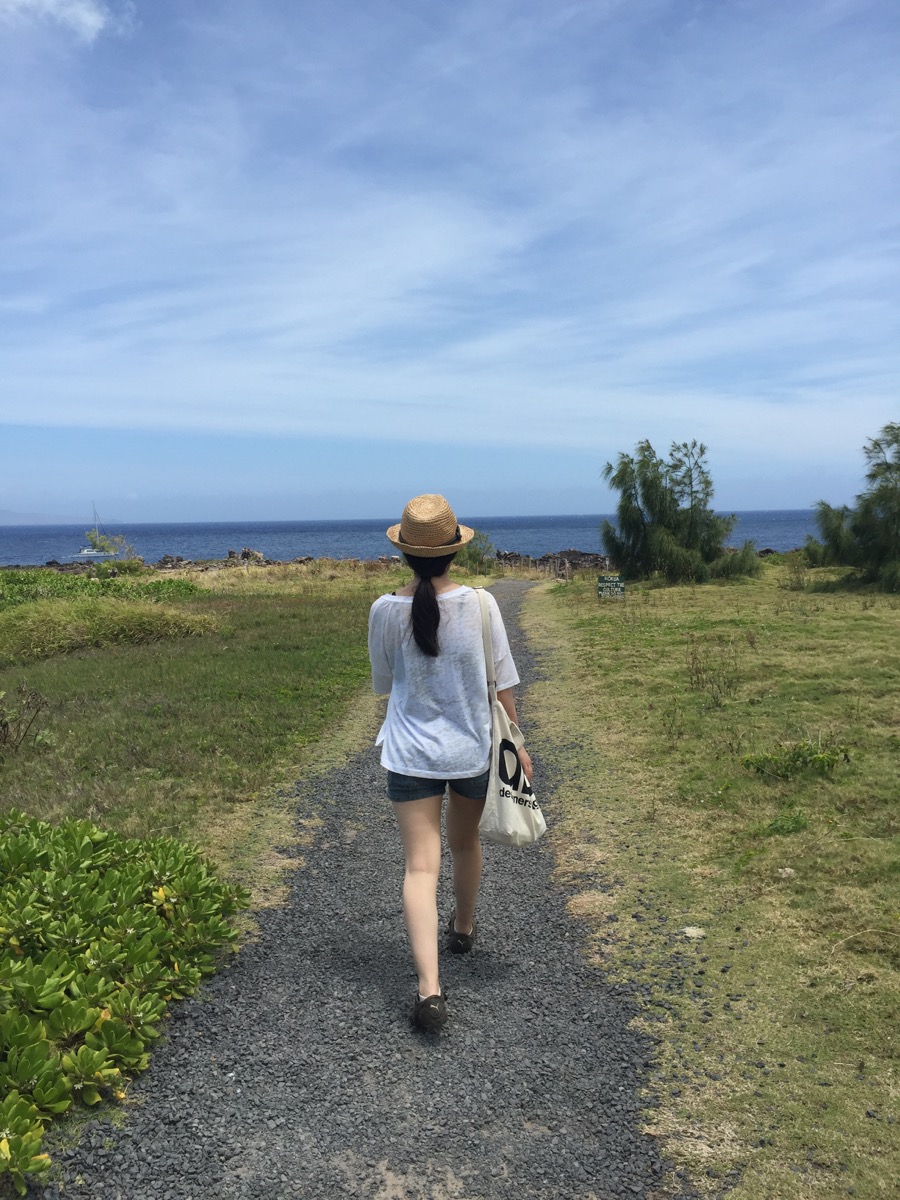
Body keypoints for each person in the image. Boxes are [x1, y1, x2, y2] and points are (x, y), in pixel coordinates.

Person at [367, 494, 532, 1032]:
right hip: (470, 752)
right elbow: (503, 682)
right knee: (465, 844)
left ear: (405, 554)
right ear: (454, 551)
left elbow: (385, 686)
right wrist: (520, 744)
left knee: (420, 866)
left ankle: (429, 990)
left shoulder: (383, 611)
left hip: (410, 753)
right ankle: (462, 929)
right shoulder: (483, 605)